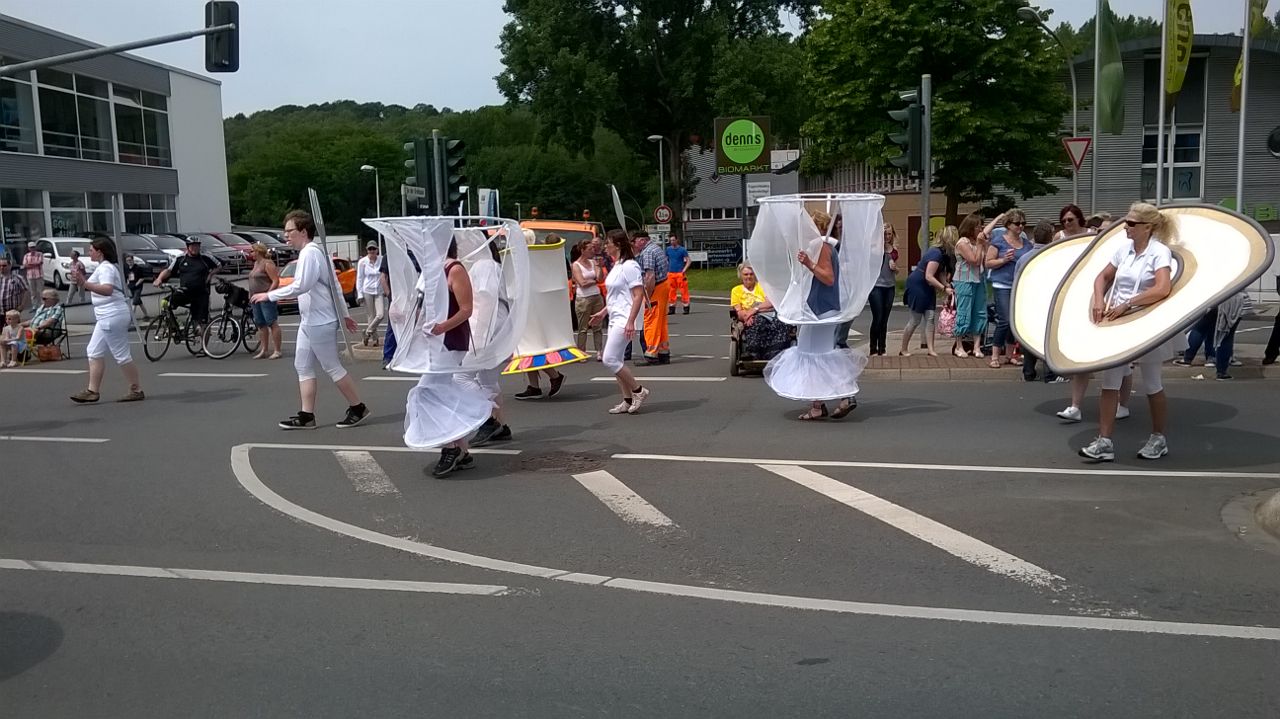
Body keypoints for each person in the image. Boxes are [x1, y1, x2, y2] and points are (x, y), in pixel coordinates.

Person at [252, 210, 369, 430]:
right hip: (309, 320)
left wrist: (269, 295)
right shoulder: (312, 253)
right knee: (302, 365)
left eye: (289, 231)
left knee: (331, 366)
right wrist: (344, 314)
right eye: (285, 231)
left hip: (320, 321)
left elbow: (302, 285)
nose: (286, 235)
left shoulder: (311, 253)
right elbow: (334, 285)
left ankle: (358, 408)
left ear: (303, 231)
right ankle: (307, 416)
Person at [1079, 202, 1177, 462]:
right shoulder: (1124, 250)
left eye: (1131, 223)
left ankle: (1158, 438)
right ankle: (1104, 441)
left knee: (1152, 382)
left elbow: (1162, 288)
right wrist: (1099, 300)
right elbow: (1101, 277)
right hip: (1118, 323)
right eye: (1126, 221)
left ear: (1147, 227)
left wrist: (1128, 303)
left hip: (1146, 323)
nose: (1125, 227)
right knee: (1110, 380)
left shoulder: (1160, 252)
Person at [69, 237, 144, 403]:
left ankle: (136, 389)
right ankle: (92, 390)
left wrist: (84, 283)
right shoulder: (106, 267)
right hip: (106, 315)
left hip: (111, 314)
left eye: (91, 250)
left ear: (100, 252)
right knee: (93, 350)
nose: (89, 253)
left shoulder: (106, 268)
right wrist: (82, 281)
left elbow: (107, 289)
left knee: (121, 354)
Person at [590, 228, 650, 414]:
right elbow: (616, 296)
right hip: (615, 316)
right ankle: (627, 399)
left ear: (617, 245)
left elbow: (638, 295)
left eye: (607, 243)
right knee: (616, 359)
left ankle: (638, 391)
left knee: (609, 359)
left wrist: (631, 321)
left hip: (625, 318)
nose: (605, 247)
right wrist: (603, 312)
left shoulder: (630, 266)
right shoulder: (617, 265)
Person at [984, 210, 1033, 368]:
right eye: (1017, 223)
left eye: (1023, 223)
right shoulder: (998, 241)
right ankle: (995, 355)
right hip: (1002, 284)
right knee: (1004, 320)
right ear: (1008, 225)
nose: (1021, 226)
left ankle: (1010, 355)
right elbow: (988, 263)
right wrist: (1003, 260)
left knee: (1014, 321)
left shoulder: (1026, 244)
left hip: (1019, 285)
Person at [900, 227, 954, 357]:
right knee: (915, 319)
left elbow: (940, 273)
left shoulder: (943, 254)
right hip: (918, 285)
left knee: (930, 317)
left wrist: (947, 285)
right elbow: (929, 276)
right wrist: (943, 288)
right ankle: (903, 349)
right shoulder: (935, 253)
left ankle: (931, 349)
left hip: (928, 287)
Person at [154, 236, 218, 332]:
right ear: (187, 247)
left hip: (201, 294)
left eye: (197, 246)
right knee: (165, 303)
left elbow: (220, 265)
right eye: (193, 246)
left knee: (203, 324)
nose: (195, 248)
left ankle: (203, 341)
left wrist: (211, 274)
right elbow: (168, 270)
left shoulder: (205, 258)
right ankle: (174, 326)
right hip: (185, 292)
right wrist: (159, 279)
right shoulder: (180, 258)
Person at [732, 263, 789, 360]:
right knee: (757, 322)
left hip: (768, 314)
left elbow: (770, 302)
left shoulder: (762, 287)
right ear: (741, 276)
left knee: (781, 323)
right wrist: (747, 316)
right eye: (746, 274)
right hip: (749, 317)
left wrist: (754, 310)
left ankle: (775, 352)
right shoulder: (736, 290)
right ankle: (753, 352)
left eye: (751, 274)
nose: (749, 277)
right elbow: (739, 311)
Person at [951, 214, 988, 357]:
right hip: (964, 280)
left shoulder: (979, 242)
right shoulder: (963, 243)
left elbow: (984, 261)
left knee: (980, 312)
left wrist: (984, 244)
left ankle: (977, 346)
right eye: (978, 226)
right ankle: (958, 346)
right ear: (971, 227)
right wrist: (979, 244)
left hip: (979, 280)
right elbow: (974, 260)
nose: (981, 229)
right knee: (964, 312)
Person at [633, 230, 670, 365]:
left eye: (635, 242)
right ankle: (663, 351)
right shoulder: (656, 248)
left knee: (651, 320)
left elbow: (649, 276)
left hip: (656, 288)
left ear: (642, 240)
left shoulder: (648, 252)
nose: (634, 245)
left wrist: (647, 295)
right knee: (660, 322)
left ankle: (651, 353)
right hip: (663, 285)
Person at [865, 223, 898, 356]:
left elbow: (895, 270)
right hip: (877, 286)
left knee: (885, 319)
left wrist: (895, 268)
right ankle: (873, 348)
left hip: (890, 286)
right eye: (884, 234)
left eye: (889, 234)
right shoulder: (874, 249)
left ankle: (882, 348)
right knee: (878, 317)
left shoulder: (894, 250)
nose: (887, 237)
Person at [248, 243, 283, 359]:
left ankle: (277, 350)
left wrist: (268, 294)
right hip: (255, 297)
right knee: (260, 323)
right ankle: (264, 349)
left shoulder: (267, 263)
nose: (251, 253)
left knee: (271, 322)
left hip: (265, 297)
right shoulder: (256, 264)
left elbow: (275, 280)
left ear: (258, 251)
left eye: (252, 251)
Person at [571, 239, 605, 359]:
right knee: (583, 327)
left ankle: (599, 351)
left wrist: (599, 267)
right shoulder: (576, 265)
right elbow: (582, 283)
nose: (593, 251)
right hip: (583, 299)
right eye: (590, 249)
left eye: (593, 248)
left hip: (596, 296)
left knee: (597, 326)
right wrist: (594, 280)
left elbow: (600, 278)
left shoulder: (593, 262)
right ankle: (582, 352)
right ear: (582, 250)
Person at [1212, 292, 1248, 381]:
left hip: (1224, 300)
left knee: (1223, 337)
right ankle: (1222, 369)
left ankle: (1221, 369)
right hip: (1237, 301)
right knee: (1227, 337)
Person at [356, 241, 386, 346]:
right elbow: (360, 278)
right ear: (367, 250)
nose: (372, 251)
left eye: (374, 249)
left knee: (380, 315)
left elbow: (386, 274)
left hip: (379, 291)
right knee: (371, 316)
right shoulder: (362, 262)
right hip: (367, 290)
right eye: (370, 249)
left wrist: (386, 288)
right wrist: (360, 294)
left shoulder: (381, 259)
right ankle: (375, 339)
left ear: (377, 250)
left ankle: (367, 332)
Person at [665, 234, 691, 315]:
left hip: (680, 273)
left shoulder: (682, 250)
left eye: (673, 240)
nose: (672, 242)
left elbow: (688, 260)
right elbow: (665, 259)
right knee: (671, 291)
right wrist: (666, 269)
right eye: (671, 240)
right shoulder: (668, 249)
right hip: (671, 273)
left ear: (677, 240)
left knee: (683, 290)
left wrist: (684, 270)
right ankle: (672, 307)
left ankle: (686, 307)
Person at [124, 255, 150, 320]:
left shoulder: (138, 268)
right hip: (131, 287)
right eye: (127, 261)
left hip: (138, 287)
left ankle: (131, 318)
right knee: (139, 302)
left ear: (133, 260)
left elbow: (142, 278)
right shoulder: (126, 269)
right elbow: (127, 278)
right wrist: (128, 284)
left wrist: (136, 284)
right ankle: (146, 315)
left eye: (130, 260)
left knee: (135, 302)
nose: (129, 262)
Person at [22, 241, 43, 311]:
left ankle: (43, 305)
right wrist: (34, 264)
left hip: (39, 275)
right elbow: (25, 265)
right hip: (30, 276)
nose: (32, 249)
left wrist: (30, 264)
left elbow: (40, 262)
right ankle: (34, 306)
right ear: (28, 248)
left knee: (41, 291)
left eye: (33, 247)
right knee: (33, 292)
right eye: (31, 247)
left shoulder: (39, 254)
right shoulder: (26, 256)